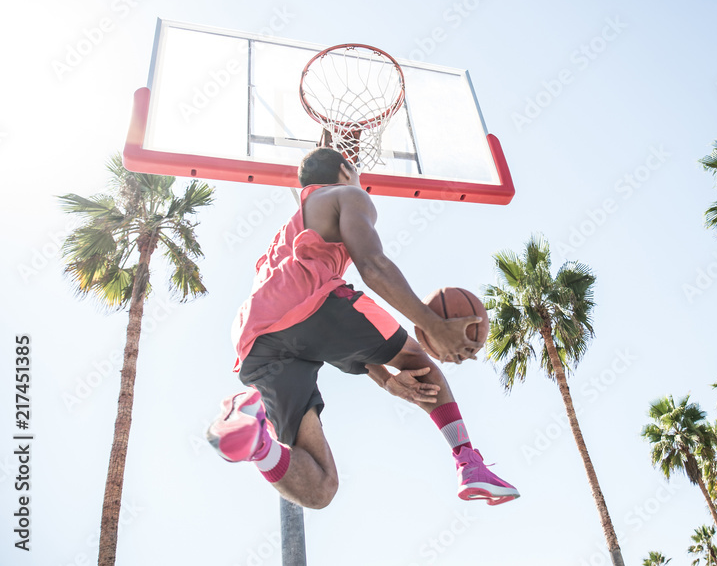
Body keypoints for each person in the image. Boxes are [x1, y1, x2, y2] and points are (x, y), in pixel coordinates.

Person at [206, 147, 519, 508]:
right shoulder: (349, 195)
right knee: (416, 358)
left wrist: (386, 379)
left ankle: (254, 438)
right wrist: (433, 325)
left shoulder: (290, 231)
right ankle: (469, 463)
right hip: (307, 300)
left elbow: (326, 333)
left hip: (254, 340)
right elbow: (372, 266)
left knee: (321, 488)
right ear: (345, 169)